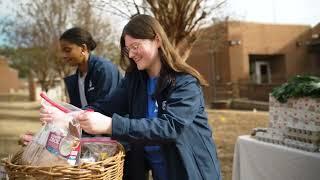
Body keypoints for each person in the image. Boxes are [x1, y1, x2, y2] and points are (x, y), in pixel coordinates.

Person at [73, 15, 222, 180]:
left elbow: (170, 127)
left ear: (157, 40)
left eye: (135, 46)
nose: (131, 54)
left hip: (193, 173)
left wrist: (111, 125)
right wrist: (74, 115)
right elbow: (106, 106)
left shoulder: (185, 82)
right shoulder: (134, 82)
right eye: (128, 49)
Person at [20, 27, 122, 143]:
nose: (63, 55)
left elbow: (105, 108)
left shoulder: (104, 70)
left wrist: (66, 117)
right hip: (92, 142)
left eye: (67, 50)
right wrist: (43, 135)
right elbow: (77, 117)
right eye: (62, 51)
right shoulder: (75, 79)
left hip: (112, 141)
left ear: (83, 48)